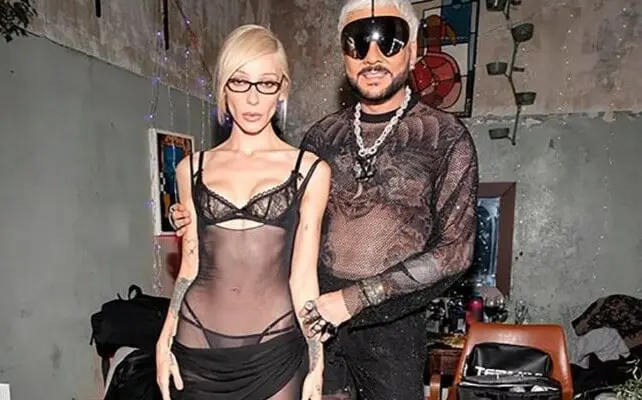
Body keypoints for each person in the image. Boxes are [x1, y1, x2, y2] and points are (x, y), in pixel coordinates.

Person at [168, 0, 479, 398]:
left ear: (414, 49)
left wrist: (355, 299)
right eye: (358, 42)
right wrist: (201, 218)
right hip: (314, 325)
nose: (372, 56)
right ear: (344, 54)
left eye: (389, 40)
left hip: (393, 337)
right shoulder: (321, 138)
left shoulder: (444, 137)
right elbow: (284, 222)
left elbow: (455, 252)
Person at [155, 24, 331, 400]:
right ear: (223, 88)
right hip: (196, 340)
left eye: (265, 83)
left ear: (282, 89)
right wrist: (165, 335)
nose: (252, 98)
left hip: (276, 347)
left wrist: (317, 362)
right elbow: (189, 266)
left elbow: (304, 280)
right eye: (239, 82)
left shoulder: (310, 170)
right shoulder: (191, 169)